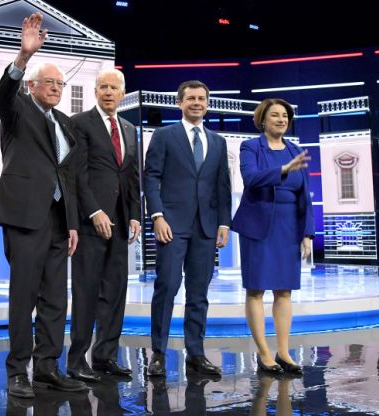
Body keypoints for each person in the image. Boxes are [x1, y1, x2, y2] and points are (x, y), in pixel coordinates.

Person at [0, 12, 85, 398]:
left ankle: (47, 367)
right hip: (24, 215)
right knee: (23, 295)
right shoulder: (17, 110)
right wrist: (23, 56)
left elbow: (70, 176)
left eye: (61, 84)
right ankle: (17, 372)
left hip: (60, 220)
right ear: (32, 85)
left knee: (55, 298)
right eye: (50, 82)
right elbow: (1, 95)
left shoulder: (65, 123)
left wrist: (74, 222)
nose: (57, 88)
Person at [142, 80, 232, 378]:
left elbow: (222, 185)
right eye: (191, 98)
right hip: (171, 224)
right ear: (180, 102)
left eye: (202, 98)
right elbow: (151, 177)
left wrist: (223, 222)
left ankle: (196, 354)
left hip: (206, 228)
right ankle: (158, 354)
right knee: (166, 287)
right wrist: (157, 216)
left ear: (207, 103)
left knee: (199, 292)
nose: (197, 102)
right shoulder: (164, 135)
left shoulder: (217, 141)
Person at [66, 68, 140, 383]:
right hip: (90, 223)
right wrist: (93, 210)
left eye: (113, 87)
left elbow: (132, 175)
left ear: (122, 93)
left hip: (121, 223)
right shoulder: (80, 123)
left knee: (115, 292)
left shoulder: (128, 127)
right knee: (86, 291)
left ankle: (105, 356)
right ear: (95, 91)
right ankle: (76, 359)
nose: (108, 92)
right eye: (103, 87)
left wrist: (136, 214)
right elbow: (77, 174)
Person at [232, 98, 313, 376]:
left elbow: (305, 196)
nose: (281, 120)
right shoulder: (251, 147)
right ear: (263, 120)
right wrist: (282, 170)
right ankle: (264, 354)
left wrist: (307, 233)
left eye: (285, 116)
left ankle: (283, 351)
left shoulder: (295, 150)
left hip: (289, 227)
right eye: (275, 115)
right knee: (256, 290)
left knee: (284, 291)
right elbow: (250, 179)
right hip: (259, 224)